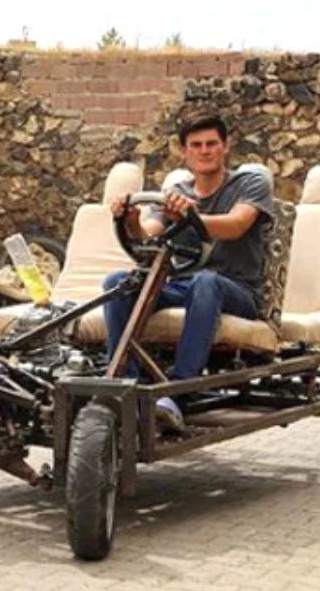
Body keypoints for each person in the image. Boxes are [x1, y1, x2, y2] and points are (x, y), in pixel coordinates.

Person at [104, 114, 275, 432]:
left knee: (206, 281)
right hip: (183, 286)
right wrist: (130, 219)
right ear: (184, 152)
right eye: (196, 145)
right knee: (118, 282)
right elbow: (148, 234)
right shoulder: (177, 191)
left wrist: (190, 216)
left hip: (237, 290)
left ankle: (178, 393)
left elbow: (237, 225)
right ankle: (125, 385)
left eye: (212, 144)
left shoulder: (249, 184)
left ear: (225, 147)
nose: (205, 150)